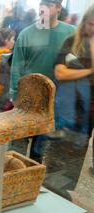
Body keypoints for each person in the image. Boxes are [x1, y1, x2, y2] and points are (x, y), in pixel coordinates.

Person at [10, 0, 75, 163]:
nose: (42, 8)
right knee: (17, 145)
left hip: (54, 101)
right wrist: (15, 96)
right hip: (28, 98)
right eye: (41, 4)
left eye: (48, 4)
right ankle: (13, 181)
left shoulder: (71, 33)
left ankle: (34, 181)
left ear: (59, 8)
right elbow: (17, 66)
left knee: (40, 148)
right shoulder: (26, 33)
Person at [49, 4, 94, 195]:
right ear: (84, 22)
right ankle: (51, 189)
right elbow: (60, 72)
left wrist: (76, 72)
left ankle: (66, 191)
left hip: (89, 110)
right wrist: (90, 71)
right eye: (91, 24)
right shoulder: (72, 41)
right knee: (59, 148)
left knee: (78, 149)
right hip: (68, 106)